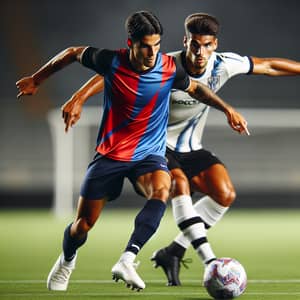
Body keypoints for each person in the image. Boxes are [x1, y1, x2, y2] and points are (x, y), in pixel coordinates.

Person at [60, 12, 300, 287]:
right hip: (156, 146)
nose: (200, 52)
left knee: (225, 193)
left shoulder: (223, 64)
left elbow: (269, 65)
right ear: (185, 41)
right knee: (179, 185)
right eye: (194, 45)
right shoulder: (163, 63)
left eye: (207, 45)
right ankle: (212, 262)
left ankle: (173, 251)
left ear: (215, 45)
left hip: (191, 146)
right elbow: (112, 74)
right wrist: (78, 97)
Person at [16, 11, 249, 292]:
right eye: (145, 46)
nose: (152, 53)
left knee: (164, 189)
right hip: (110, 156)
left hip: (148, 156)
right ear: (131, 44)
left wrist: (228, 110)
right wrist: (37, 80)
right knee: (82, 226)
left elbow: (197, 89)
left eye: (157, 45)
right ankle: (67, 259)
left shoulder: (168, 67)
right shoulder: (111, 61)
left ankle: (128, 258)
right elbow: (71, 53)